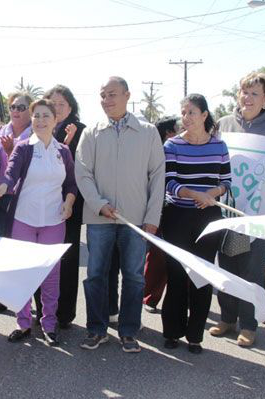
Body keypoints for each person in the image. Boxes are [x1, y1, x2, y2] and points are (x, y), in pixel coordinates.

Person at [75, 76, 165, 353]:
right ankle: (96, 329)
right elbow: (82, 172)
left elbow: (157, 175)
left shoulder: (148, 132)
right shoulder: (91, 133)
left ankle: (128, 331)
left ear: (127, 95)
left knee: (135, 277)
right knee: (96, 275)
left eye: (112, 94)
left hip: (135, 220)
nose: (107, 100)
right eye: (102, 95)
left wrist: (152, 217)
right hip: (99, 217)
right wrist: (98, 203)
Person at [0, 99, 77, 346]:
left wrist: (69, 203)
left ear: (55, 120)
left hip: (53, 220)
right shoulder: (23, 147)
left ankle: (49, 324)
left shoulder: (64, 152)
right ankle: (23, 322)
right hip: (23, 219)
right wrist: (3, 186)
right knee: (23, 273)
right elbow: (11, 174)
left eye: (45, 116)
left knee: (51, 274)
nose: (40, 120)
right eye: (36, 116)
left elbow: (71, 184)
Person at [211, 72, 265, 348]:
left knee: (251, 270)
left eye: (255, 93)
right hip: (229, 211)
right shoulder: (224, 124)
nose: (248, 98)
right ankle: (227, 318)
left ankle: (249, 324)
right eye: (244, 92)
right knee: (228, 265)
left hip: (256, 215)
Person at [161, 95, 229, 354]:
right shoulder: (172, 145)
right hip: (178, 215)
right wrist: (194, 194)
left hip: (208, 218)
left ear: (204, 115)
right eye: (183, 112)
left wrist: (212, 195)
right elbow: (169, 183)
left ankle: (195, 336)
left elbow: (227, 181)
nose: (185, 117)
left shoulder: (219, 146)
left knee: (201, 276)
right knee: (177, 274)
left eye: (191, 112)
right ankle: (172, 332)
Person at [0, 91, 34, 316]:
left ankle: (25, 301)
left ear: (30, 111)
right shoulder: (0, 131)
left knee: (21, 251)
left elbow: (32, 168)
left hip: (24, 198)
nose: (16, 111)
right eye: (13, 107)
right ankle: (0, 298)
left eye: (21, 107)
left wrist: (13, 151)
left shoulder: (36, 135)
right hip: (1, 197)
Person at [43, 85, 87, 328]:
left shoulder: (80, 131)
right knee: (45, 259)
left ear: (71, 107)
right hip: (42, 203)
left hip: (69, 203)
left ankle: (64, 314)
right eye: (53, 103)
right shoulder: (41, 125)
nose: (57, 108)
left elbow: (79, 169)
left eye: (62, 104)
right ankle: (44, 309)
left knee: (68, 260)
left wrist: (67, 144)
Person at [143, 116, 179, 313]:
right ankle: (149, 298)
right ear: (168, 133)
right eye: (177, 128)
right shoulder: (157, 151)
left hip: (179, 209)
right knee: (157, 255)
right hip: (160, 208)